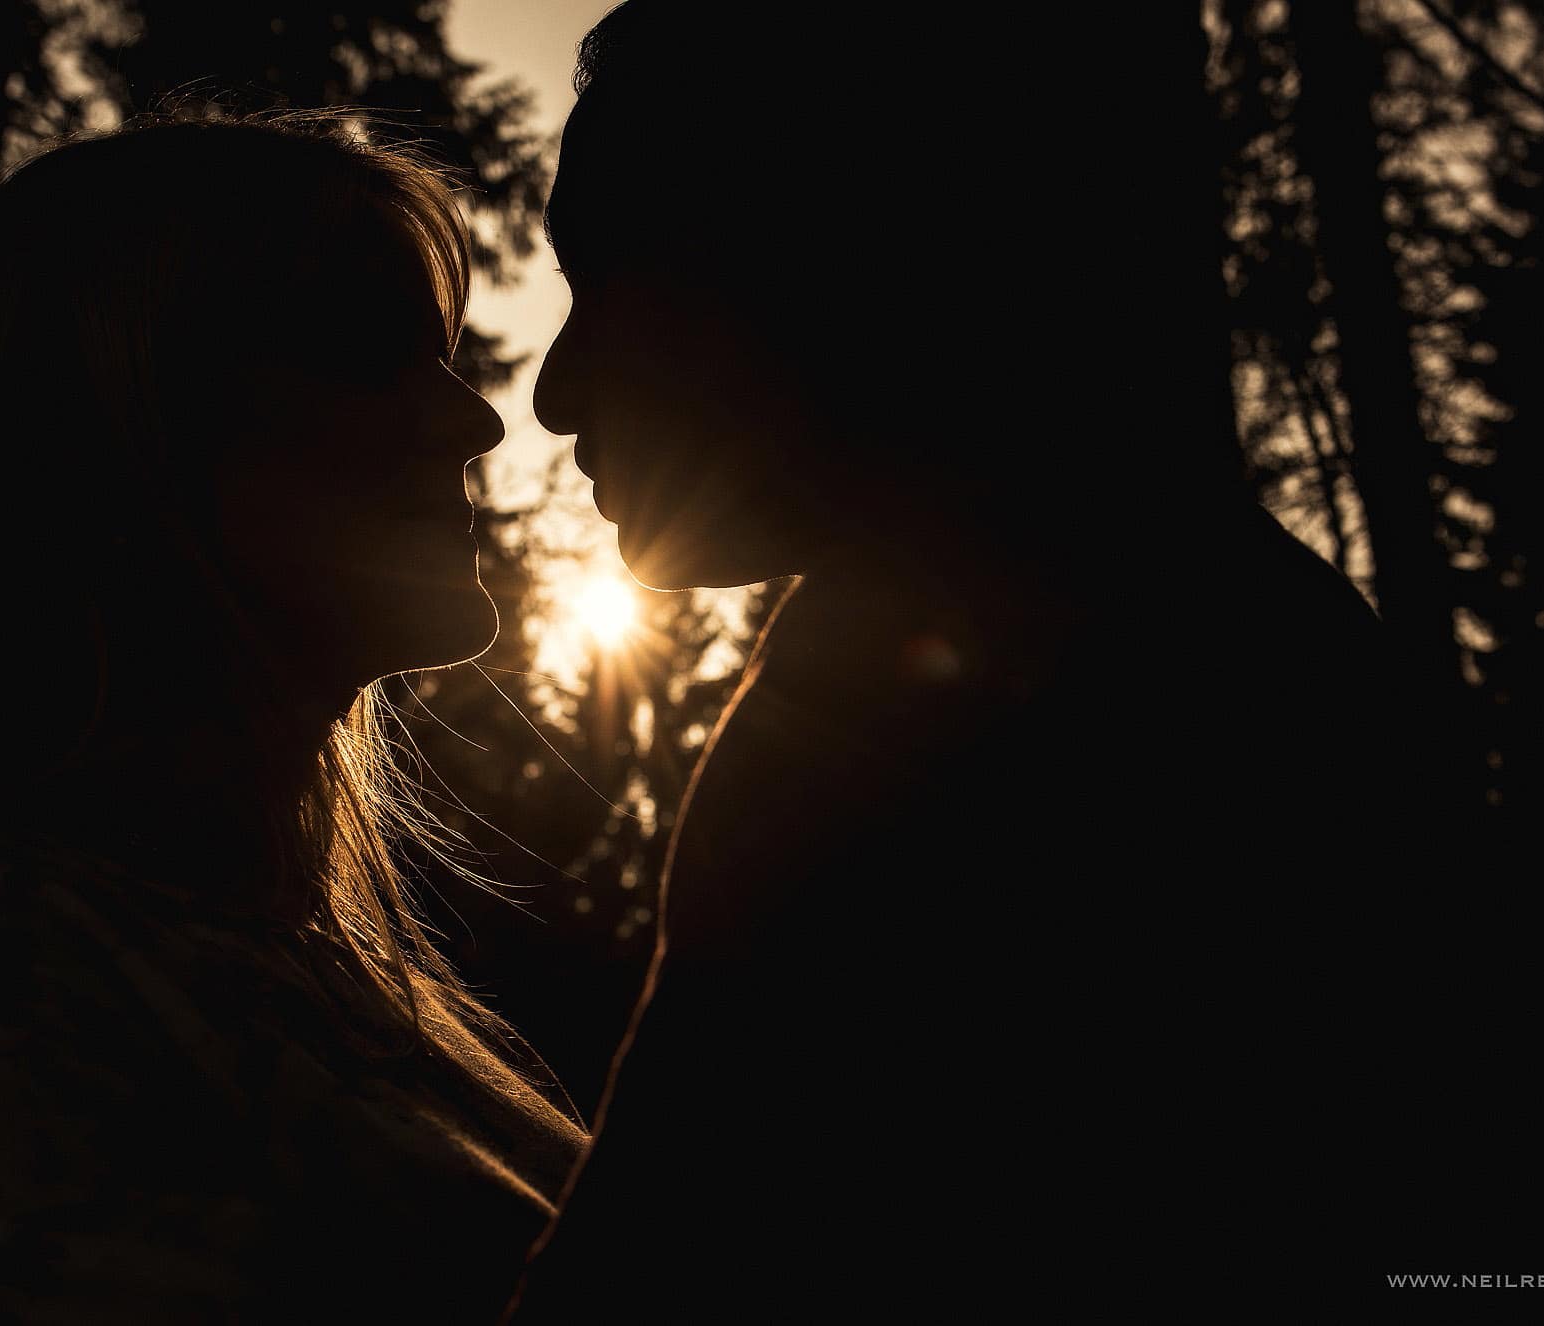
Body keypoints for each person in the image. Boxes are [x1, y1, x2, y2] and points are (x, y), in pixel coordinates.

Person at [504, 5, 1441, 1320]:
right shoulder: (1202, 639)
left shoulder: (941, 723)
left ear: (821, 267)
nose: (553, 393)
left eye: (613, 283)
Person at [0, 111, 585, 1319]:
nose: (472, 425)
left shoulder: (340, 974)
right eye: (368, 354)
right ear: (128, 421)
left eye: (444, 359)